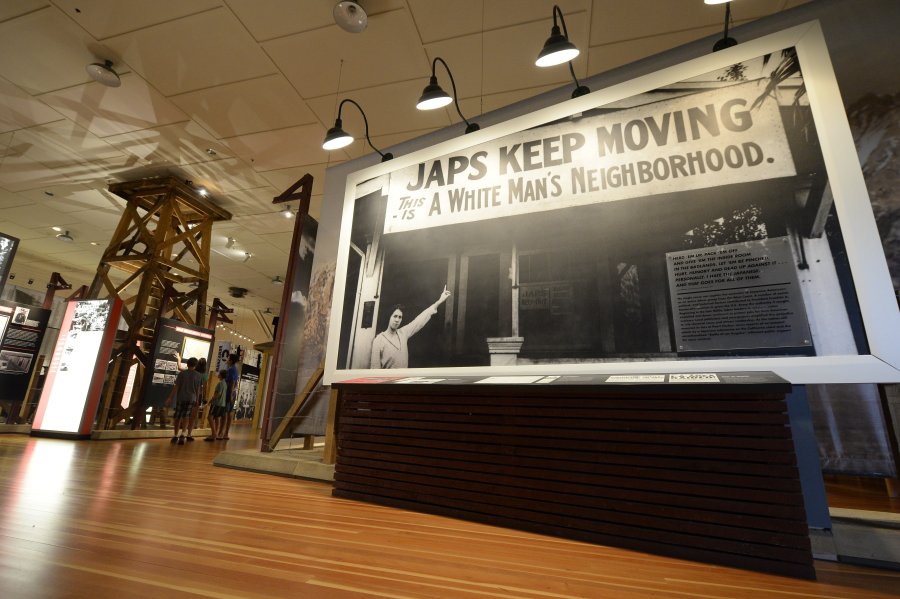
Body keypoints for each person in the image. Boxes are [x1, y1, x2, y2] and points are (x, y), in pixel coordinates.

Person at [370, 285, 451, 369]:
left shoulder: (403, 333)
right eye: (395, 316)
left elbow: (419, 320)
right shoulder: (379, 340)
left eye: (400, 317)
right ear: (389, 317)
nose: (397, 320)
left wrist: (439, 301)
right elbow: (374, 369)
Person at [165, 357, 202, 445]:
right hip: (191, 398)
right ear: (196, 365)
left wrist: (170, 397)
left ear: (187, 364)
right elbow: (198, 389)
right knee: (186, 416)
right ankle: (183, 434)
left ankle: (175, 435)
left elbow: (176, 386)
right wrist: (197, 399)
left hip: (181, 397)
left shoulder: (182, 374)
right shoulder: (198, 375)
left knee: (177, 416)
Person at [204, 369, 228, 442]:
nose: (218, 374)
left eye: (219, 373)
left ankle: (214, 433)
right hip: (222, 404)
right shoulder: (225, 384)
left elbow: (217, 394)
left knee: (209, 417)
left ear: (221, 375)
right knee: (217, 418)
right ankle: (215, 433)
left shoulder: (220, 384)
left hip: (217, 403)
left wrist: (211, 400)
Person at [221, 354, 240, 440]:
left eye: (228, 358)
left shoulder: (232, 369)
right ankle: (224, 433)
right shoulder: (232, 369)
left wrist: (230, 394)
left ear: (231, 361)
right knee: (228, 413)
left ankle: (223, 433)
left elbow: (233, 382)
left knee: (226, 413)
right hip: (231, 393)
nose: (227, 360)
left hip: (229, 393)